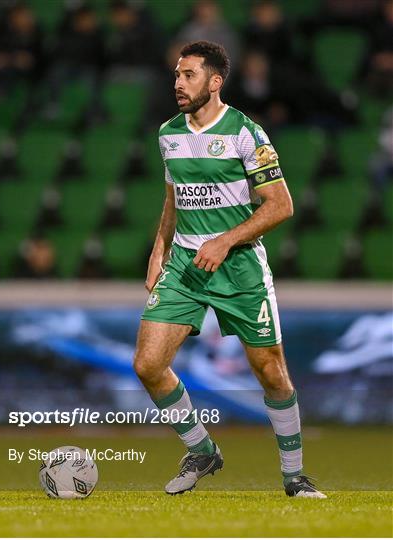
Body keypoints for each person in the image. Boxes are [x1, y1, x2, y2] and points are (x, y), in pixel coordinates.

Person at [133, 41, 326, 498]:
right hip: (185, 264)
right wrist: (158, 249)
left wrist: (225, 240)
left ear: (215, 81)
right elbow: (173, 199)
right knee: (148, 364)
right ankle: (202, 450)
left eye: (189, 75)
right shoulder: (168, 133)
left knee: (271, 371)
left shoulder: (246, 133)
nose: (178, 83)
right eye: (177, 75)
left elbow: (280, 205)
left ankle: (294, 478)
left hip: (238, 267)